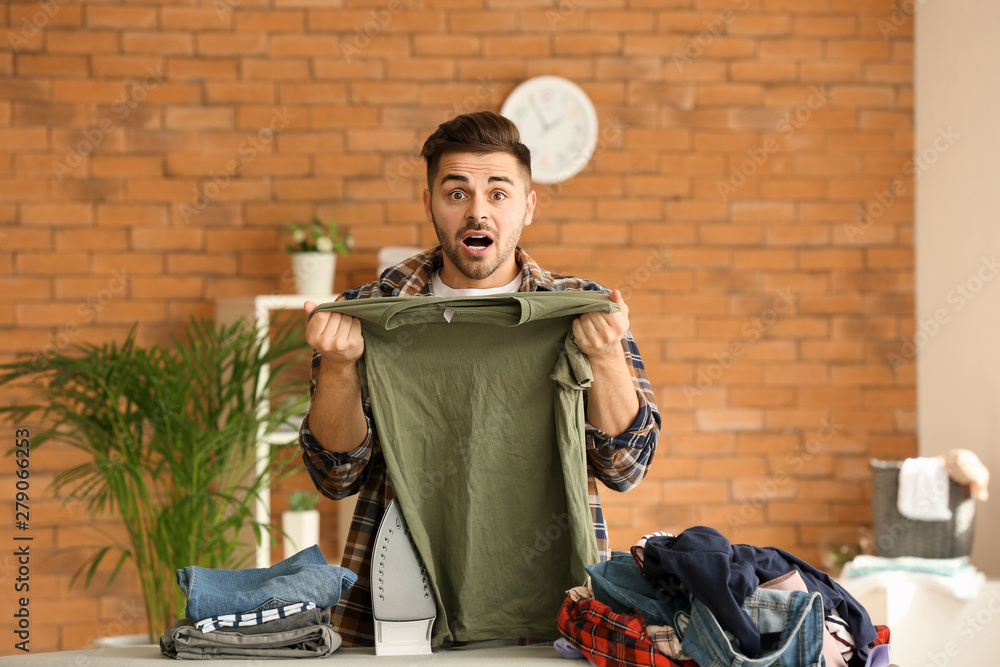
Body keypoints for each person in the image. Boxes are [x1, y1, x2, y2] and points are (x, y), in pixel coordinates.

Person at [298, 110, 661, 647]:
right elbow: (335, 478)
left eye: (498, 193)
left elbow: (626, 468)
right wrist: (339, 367)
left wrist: (606, 358)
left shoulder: (580, 312)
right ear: (430, 205)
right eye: (456, 193)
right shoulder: (368, 315)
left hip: (553, 610)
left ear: (528, 206)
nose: (477, 212)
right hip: (404, 608)